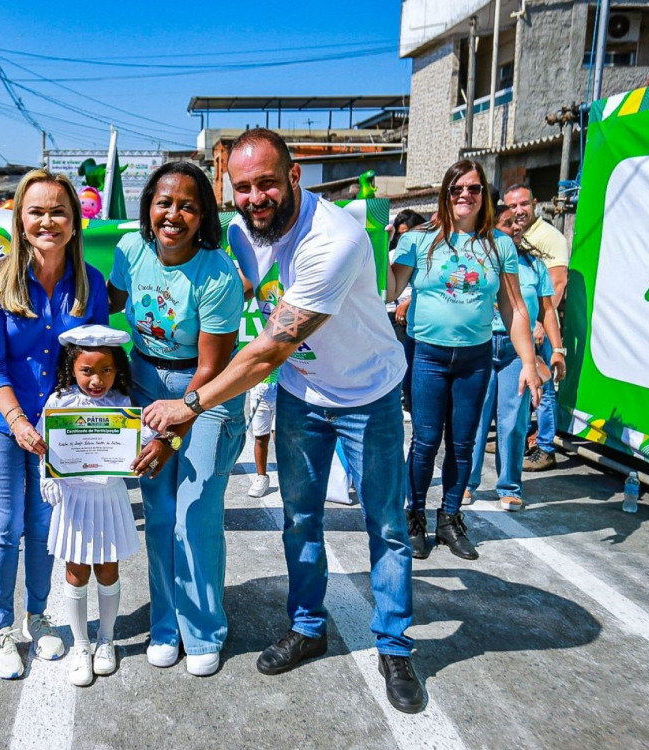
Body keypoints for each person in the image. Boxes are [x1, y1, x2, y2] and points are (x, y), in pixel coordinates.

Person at [140, 129, 422, 712]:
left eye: (267, 182)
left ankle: (393, 645)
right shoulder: (244, 231)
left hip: (366, 393)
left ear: (295, 177)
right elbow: (239, 285)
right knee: (299, 519)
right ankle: (307, 626)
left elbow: (267, 351)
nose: (254, 196)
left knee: (386, 524)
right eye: (242, 187)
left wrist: (190, 404)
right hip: (301, 394)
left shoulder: (335, 238)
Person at [0, 169, 108, 680]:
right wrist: (20, 422)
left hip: (59, 427)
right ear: (20, 220)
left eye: (59, 212)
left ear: (75, 221)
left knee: (46, 525)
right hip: (0, 421)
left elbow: (92, 359)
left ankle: (38, 616)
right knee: (6, 526)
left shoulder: (90, 285)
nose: (48, 221)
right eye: (37, 211)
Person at [108, 160, 245, 678]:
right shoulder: (130, 251)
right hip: (146, 386)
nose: (174, 214)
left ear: (203, 214)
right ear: (148, 208)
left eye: (188, 205)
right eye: (164, 202)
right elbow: (106, 302)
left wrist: (170, 432)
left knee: (195, 515)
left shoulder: (218, 272)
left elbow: (212, 367)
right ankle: (166, 624)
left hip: (205, 394)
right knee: (160, 515)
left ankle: (204, 628)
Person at [389, 162, 541, 561]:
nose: (465, 195)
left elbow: (515, 309)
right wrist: (374, 245)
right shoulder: (420, 241)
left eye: (473, 188)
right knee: (424, 442)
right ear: (445, 192)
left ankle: (450, 519)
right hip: (428, 357)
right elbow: (388, 287)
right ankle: (415, 518)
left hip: (475, 360)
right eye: (457, 188)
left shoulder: (499, 245)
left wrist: (529, 361)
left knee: (462, 444)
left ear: (483, 195)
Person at [38, 324, 144, 686]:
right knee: (76, 570)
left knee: (108, 569)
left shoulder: (124, 405)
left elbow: (134, 446)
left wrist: (139, 458)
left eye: (106, 371)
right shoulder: (59, 402)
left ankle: (106, 640)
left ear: (118, 370)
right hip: (75, 499)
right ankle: (81, 644)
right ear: (71, 368)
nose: (96, 380)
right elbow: (45, 445)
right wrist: (48, 477)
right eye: (87, 371)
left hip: (109, 496)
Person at [465, 206, 564, 512]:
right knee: (474, 421)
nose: (516, 227)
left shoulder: (534, 266)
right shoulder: (475, 260)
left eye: (519, 223)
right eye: (508, 223)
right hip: (479, 346)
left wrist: (557, 350)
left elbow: (548, 311)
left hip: (515, 351)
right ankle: (465, 484)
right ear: (492, 229)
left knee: (514, 421)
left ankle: (509, 487)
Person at [505, 185, 570, 473]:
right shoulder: (519, 235)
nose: (518, 211)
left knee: (542, 385)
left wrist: (542, 324)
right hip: (520, 325)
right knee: (521, 386)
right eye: (512, 206)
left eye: (523, 204)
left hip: (538, 325)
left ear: (535, 203)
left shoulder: (549, 237)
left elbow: (557, 285)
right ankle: (516, 437)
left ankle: (545, 447)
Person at [389, 209, 427, 416]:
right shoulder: (394, 255)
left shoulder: (427, 254)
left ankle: (413, 404)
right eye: (402, 234)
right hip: (392, 313)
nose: (406, 238)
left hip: (413, 314)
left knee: (411, 364)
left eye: (410, 232)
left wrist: (406, 304)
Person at [247, 368, 278, 498]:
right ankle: (262, 477)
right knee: (260, 438)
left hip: (282, 393)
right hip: (258, 393)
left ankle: (287, 477)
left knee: (280, 437)